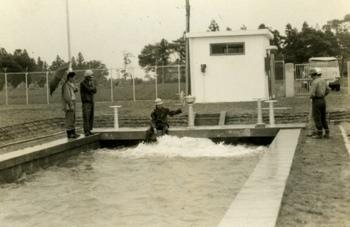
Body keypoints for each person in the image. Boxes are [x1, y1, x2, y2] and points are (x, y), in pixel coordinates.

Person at [309, 67, 330, 139]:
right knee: (323, 117)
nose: (311, 76)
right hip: (323, 100)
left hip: (316, 100)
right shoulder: (323, 81)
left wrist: (311, 97)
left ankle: (319, 133)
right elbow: (328, 90)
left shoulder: (314, 82)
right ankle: (327, 133)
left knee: (317, 117)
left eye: (311, 75)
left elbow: (312, 93)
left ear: (314, 74)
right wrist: (324, 95)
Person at [62, 71, 80, 139]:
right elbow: (67, 96)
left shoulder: (71, 84)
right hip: (69, 103)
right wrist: (70, 104)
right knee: (69, 118)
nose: (74, 79)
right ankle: (69, 133)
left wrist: (75, 88)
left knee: (73, 118)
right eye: (74, 78)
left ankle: (73, 132)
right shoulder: (66, 85)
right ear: (70, 77)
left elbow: (74, 91)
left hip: (73, 101)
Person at [80, 70, 97, 136]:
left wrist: (92, 89)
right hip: (86, 102)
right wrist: (92, 89)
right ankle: (86, 131)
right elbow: (89, 89)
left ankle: (89, 130)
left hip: (91, 101)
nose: (91, 78)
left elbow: (95, 90)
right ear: (86, 77)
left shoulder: (90, 83)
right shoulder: (83, 83)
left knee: (90, 116)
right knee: (86, 117)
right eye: (90, 77)